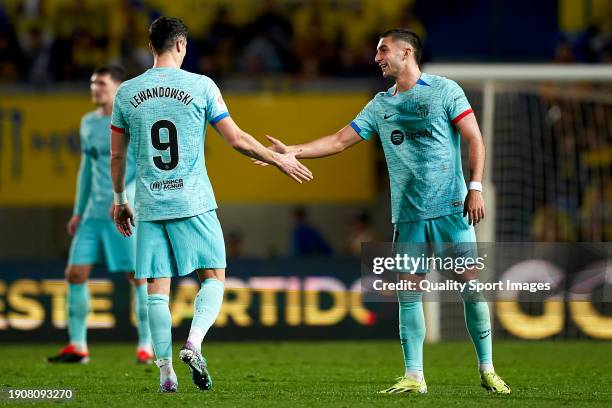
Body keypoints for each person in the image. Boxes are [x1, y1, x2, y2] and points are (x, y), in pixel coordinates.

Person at [256, 28, 510, 395]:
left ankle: (487, 368)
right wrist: (291, 151)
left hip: (452, 210)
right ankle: (415, 376)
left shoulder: (445, 91)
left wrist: (475, 187)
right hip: (407, 216)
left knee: (470, 288)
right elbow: (339, 140)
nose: (377, 57)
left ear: (406, 53)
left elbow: (474, 138)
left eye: (383, 50)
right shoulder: (380, 104)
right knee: (409, 295)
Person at [109, 16, 312, 393]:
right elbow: (235, 139)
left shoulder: (125, 93)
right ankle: (194, 343)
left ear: (151, 46)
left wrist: (121, 199)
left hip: (150, 204)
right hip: (193, 201)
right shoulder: (201, 85)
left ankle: (165, 374)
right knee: (213, 277)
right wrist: (278, 158)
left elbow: (117, 158)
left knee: (156, 287)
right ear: (182, 45)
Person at [47, 65, 153, 365]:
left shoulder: (132, 121)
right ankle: (78, 347)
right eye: (93, 84)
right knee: (75, 274)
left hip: (124, 213)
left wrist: (125, 197)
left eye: (102, 84)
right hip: (93, 214)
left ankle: (146, 345)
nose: (95, 89)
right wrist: (77, 211)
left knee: (137, 277)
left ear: (119, 87)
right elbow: (86, 170)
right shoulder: (88, 123)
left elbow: (144, 166)